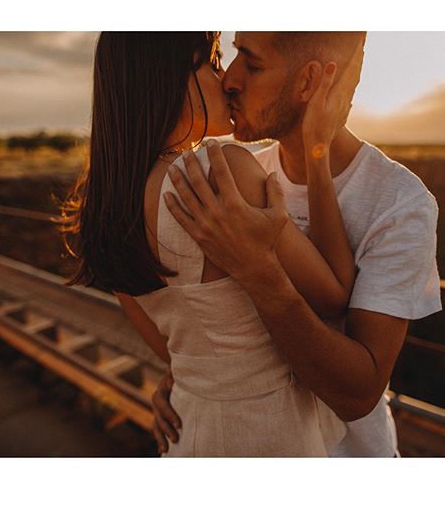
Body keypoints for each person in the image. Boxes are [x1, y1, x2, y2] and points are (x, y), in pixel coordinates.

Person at [61, 31, 365, 456]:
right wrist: (318, 151)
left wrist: (178, 381)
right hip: (266, 433)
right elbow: (335, 292)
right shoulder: (222, 173)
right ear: (172, 77)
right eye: (213, 62)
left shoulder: (106, 207)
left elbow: (172, 350)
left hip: (187, 429)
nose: (226, 79)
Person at [156, 31, 442, 457]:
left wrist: (259, 270)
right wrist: (184, 377)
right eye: (232, 57)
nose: (230, 80)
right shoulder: (240, 175)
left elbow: (358, 394)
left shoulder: (398, 202)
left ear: (308, 83)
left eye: (252, 65)